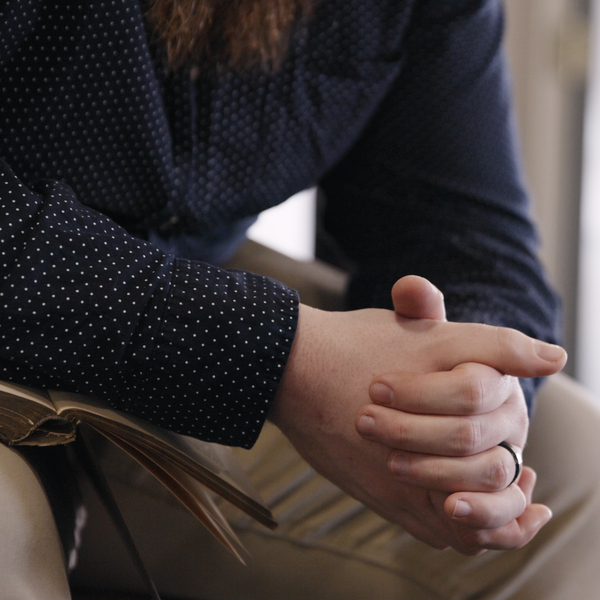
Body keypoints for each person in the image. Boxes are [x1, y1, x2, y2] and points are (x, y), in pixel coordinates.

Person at [0, 0, 593, 597]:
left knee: (581, 482)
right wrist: (278, 354)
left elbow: (462, 228)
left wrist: (465, 404)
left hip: (190, 300)